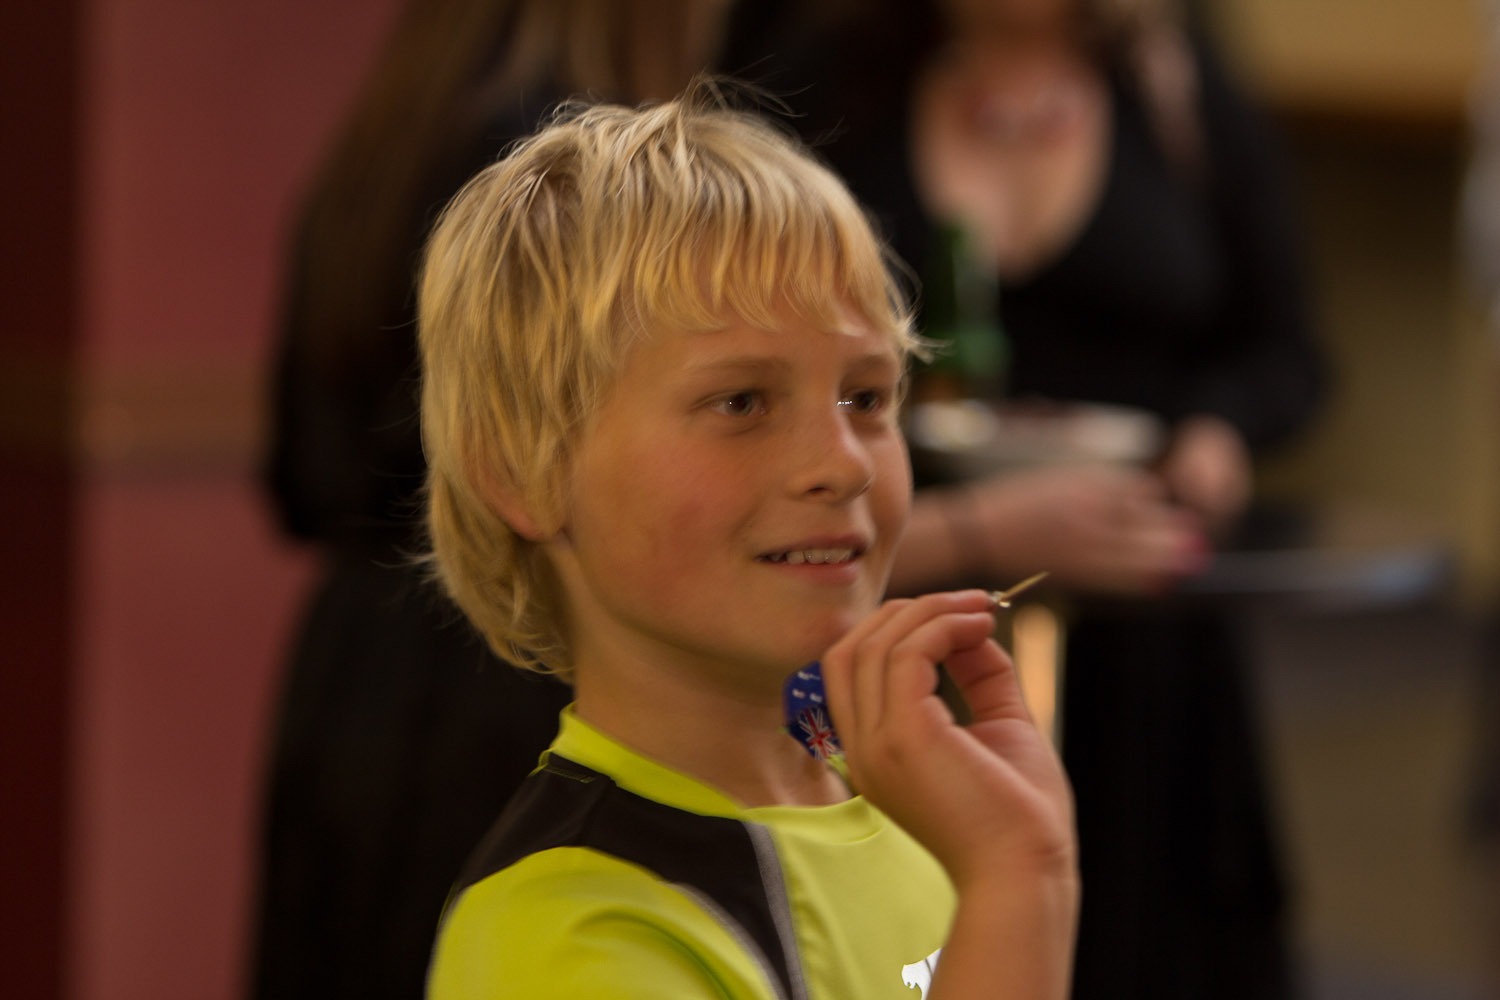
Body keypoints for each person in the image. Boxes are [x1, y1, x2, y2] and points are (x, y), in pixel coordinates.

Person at [416, 87, 1078, 999]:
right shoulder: (568, 933)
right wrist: (1022, 876)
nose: (843, 463)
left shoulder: (927, 815)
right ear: (522, 473)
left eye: (866, 398)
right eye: (742, 403)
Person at [745, 1, 1328, 996]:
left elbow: (1291, 351)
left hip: (1137, 609)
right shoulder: (832, 75)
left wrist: (1217, 430)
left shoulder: (1175, 84)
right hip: (893, 583)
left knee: (1144, 926)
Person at [251, 3, 774, 997]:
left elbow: (295, 476)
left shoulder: (380, 153)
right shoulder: (563, 188)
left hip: (349, 675)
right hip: (494, 678)